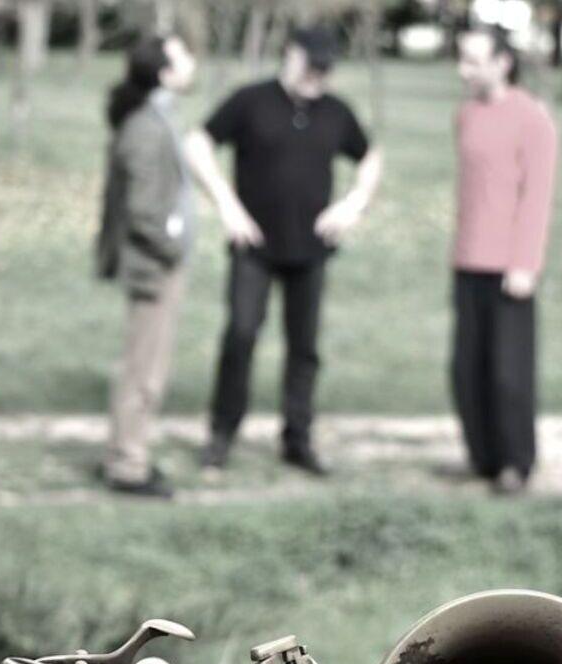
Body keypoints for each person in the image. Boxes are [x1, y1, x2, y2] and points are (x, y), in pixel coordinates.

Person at [182, 27, 383, 477]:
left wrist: (354, 203)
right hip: (253, 245)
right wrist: (227, 206)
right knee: (241, 335)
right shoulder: (252, 101)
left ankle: (297, 439)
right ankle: (221, 434)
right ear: (290, 57)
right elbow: (197, 142)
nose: (318, 77)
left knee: (304, 348)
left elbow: (370, 156)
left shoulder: (335, 112)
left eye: (326, 69)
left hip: (311, 249)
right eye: (312, 66)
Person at [448, 27, 559, 495]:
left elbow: (536, 198)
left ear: (502, 63)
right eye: (462, 60)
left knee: (508, 369)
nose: (464, 70)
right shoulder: (466, 116)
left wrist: (524, 264)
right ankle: (482, 455)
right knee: (465, 366)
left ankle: (516, 463)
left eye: (474, 61)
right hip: (468, 259)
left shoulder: (533, 119)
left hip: (509, 265)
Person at [96, 34, 198, 499]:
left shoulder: (157, 118)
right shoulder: (145, 127)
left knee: (147, 365)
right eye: (182, 57)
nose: (192, 62)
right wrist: (173, 247)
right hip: (153, 266)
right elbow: (142, 210)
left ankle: (128, 454)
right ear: (162, 71)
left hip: (158, 262)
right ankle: (127, 465)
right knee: (143, 369)